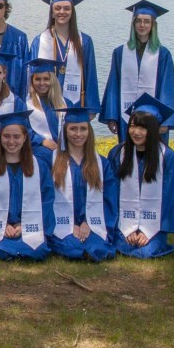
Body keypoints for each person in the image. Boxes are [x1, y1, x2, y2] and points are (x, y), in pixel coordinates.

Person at [107, 94, 174, 258]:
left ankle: (154, 238)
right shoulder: (117, 154)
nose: (136, 132)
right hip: (122, 222)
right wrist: (125, 227)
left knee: (145, 251)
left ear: (153, 130)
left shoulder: (167, 157)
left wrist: (149, 231)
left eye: (143, 128)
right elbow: (111, 193)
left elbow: (171, 198)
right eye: (133, 126)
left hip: (155, 225)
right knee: (122, 245)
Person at [0, 110, 55, 261]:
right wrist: (3, 226)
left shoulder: (39, 166)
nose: (11, 141)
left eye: (16, 136)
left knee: (36, 247)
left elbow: (47, 201)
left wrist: (22, 225)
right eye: (6, 136)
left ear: (25, 138)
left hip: (28, 226)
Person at [101, 0, 174, 143]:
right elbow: (113, 86)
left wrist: (166, 120)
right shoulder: (120, 53)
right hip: (126, 116)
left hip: (154, 117)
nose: (142, 25)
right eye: (138, 21)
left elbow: (167, 89)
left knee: (153, 154)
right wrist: (112, 116)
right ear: (133, 24)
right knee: (127, 153)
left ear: (153, 25)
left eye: (147, 21)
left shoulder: (163, 54)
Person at [48, 107, 117, 261]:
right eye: (73, 129)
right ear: (65, 131)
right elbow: (45, 200)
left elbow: (109, 201)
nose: (78, 134)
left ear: (89, 131)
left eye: (83, 129)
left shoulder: (102, 164)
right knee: (70, 244)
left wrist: (88, 223)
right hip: (63, 224)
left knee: (95, 245)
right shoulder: (51, 161)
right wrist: (71, 224)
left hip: (91, 224)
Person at [28, 0, 99, 109]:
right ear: (52, 12)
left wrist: (91, 108)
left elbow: (90, 75)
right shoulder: (40, 41)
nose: (62, 12)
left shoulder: (84, 41)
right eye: (57, 8)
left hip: (76, 104)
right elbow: (31, 75)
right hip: (46, 104)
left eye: (67, 8)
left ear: (72, 12)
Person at [25, 58, 64, 151]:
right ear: (32, 81)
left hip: (65, 148)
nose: (42, 83)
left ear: (53, 80)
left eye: (46, 79)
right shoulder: (26, 105)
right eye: (37, 79)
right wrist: (41, 141)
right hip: (40, 149)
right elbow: (24, 130)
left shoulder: (66, 103)